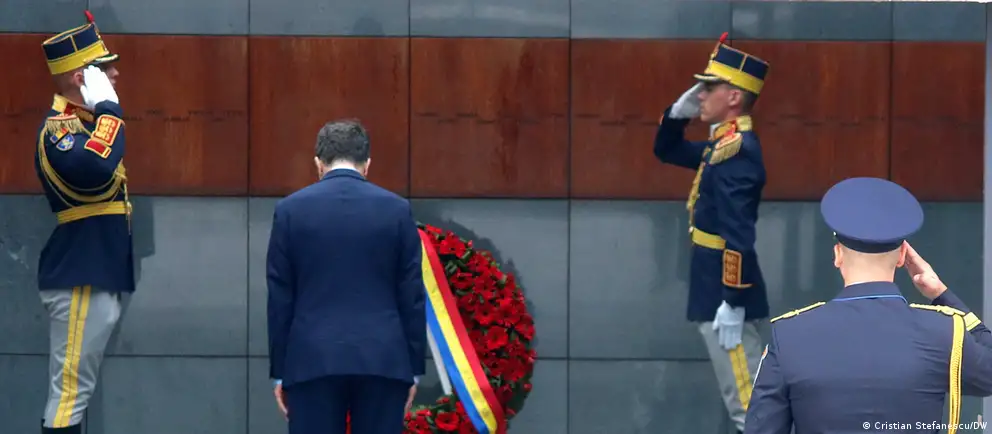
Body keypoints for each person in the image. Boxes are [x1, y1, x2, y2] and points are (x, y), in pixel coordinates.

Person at [745, 177, 992, 433]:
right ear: (902, 256)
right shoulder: (943, 332)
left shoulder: (789, 335)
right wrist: (941, 293)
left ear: (837, 255)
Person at [266, 119, 426, 434]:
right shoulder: (397, 210)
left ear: (318, 164)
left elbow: (280, 296)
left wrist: (281, 373)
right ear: (367, 164)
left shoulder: (290, 211)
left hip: (311, 361)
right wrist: (413, 369)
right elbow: (411, 294)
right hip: (383, 359)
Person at [652, 32, 770, 433]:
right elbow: (666, 150)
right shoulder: (721, 147)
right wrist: (677, 113)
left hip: (725, 294)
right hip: (715, 287)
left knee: (750, 409)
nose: (700, 95)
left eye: (708, 88)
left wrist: (732, 301)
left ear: (733, 96)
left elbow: (739, 235)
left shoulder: (737, 153)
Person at [34, 10, 132, 434]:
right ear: (81, 77)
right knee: (70, 393)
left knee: (77, 391)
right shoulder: (60, 130)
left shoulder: (85, 126)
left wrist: (105, 114)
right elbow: (95, 168)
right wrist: (110, 110)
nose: (115, 75)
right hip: (80, 275)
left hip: (94, 272)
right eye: (105, 69)